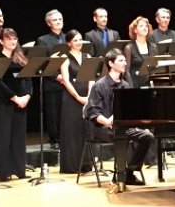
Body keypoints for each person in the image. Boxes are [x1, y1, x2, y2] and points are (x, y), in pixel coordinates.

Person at [85, 48, 155, 186]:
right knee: (120, 135)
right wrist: (107, 121)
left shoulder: (125, 85)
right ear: (111, 64)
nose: (125, 63)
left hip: (122, 127)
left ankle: (129, 172)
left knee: (148, 136)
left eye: (124, 60)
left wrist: (137, 125)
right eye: (121, 60)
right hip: (103, 129)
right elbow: (92, 112)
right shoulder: (99, 85)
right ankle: (120, 174)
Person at [0, 28, 31, 181]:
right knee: (4, 137)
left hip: (22, 103)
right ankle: (4, 171)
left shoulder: (21, 59)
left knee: (18, 137)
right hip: (4, 103)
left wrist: (27, 96)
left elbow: (28, 79)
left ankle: (19, 169)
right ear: (1, 41)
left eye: (14, 38)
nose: (13, 41)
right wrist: (15, 98)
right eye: (8, 38)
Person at [58, 29, 89, 174]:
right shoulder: (65, 57)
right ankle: (72, 166)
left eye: (80, 39)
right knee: (72, 131)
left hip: (87, 96)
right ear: (69, 43)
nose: (79, 43)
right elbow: (66, 80)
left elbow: (91, 78)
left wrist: (89, 96)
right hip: (71, 97)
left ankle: (85, 164)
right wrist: (78, 97)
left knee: (84, 130)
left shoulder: (87, 55)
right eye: (75, 40)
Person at [36, 9, 65, 148]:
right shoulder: (43, 40)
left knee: (66, 111)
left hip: (68, 81)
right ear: (49, 23)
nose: (59, 22)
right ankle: (55, 140)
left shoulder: (68, 38)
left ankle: (66, 137)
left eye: (60, 19)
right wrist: (57, 76)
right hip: (52, 82)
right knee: (53, 113)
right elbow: (41, 63)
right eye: (55, 20)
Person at [124, 16, 157, 87]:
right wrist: (130, 87)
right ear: (135, 30)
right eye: (141, 26)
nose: (145, 28)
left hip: (150, 84)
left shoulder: (153, 47)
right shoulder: (129, 47)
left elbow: (155, 67)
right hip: (135, 84)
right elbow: (127, 71)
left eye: (146, 26)